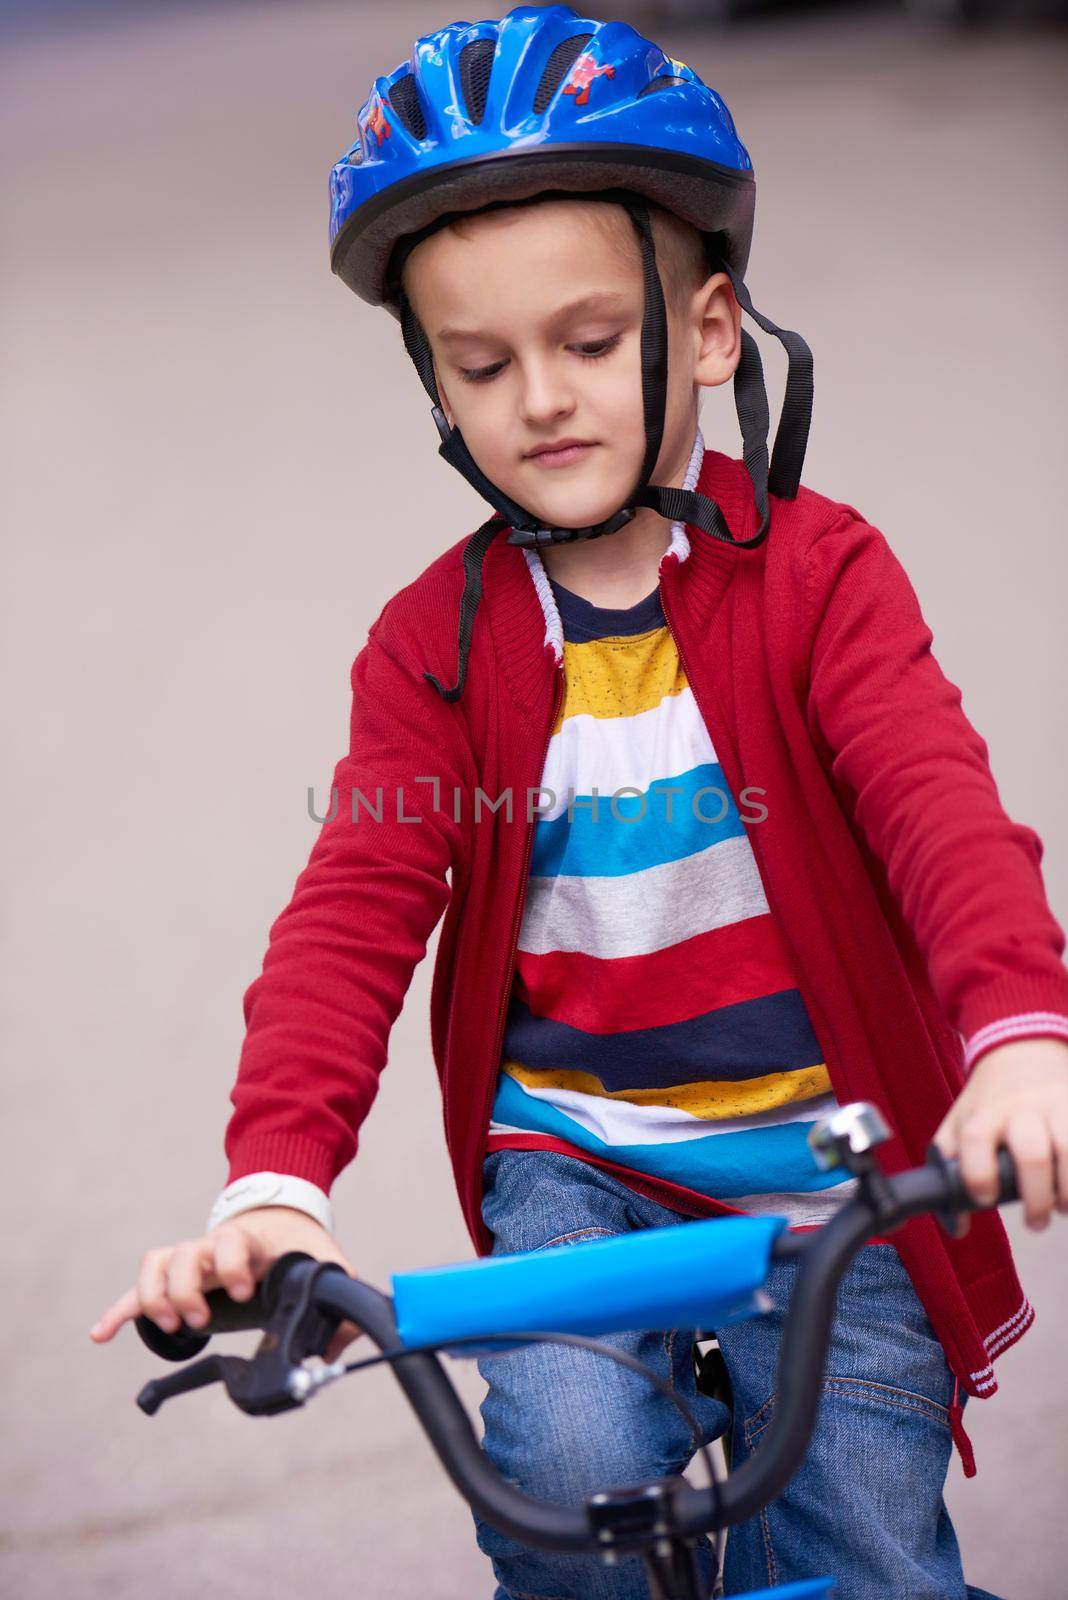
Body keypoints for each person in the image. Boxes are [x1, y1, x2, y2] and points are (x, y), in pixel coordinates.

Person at [91, 7, 1068, 1596]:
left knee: (872, 1555)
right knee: (562, 1471)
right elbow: (350, 915)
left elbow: (937, 806)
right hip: (580, 1165)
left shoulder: (820, 580)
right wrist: (273, 1185)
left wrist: (1022, 1038)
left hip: (835, 1161)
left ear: (712, 326)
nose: (540, 398)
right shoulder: (440, 648)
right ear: (436, 387)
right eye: (483, 364)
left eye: (592, 341)